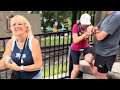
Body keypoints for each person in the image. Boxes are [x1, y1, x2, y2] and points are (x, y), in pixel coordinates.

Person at [0, 15, 42, 79]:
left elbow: (38, 65)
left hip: (33, 77)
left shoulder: (33, 42)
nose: (16, 26)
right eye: (14, 25)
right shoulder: (11, 43)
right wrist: (5, 63)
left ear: (26, 27)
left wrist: (19, 68)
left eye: (20, 24)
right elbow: (5, 60)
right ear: (11, 28)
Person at [88, 11, 120, 79]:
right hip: (100, 51)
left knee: (100, 76)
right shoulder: (107, 15)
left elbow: (100, 37)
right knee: (95, 71)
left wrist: (95, 32)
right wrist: (95, 30)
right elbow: (96, 28)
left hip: (107, 52)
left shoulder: (117, 16)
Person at [70, 13, 94, 79]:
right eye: (83, 23)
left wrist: (92, 28)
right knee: (76, 69)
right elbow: (75, 40)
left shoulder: (89, 27)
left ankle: (92, 65)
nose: (84, 25)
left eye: (86, 24)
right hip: (75, 48)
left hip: (85, 46)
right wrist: (85, 33)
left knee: (89, 59)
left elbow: (94, 29)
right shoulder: (75, 26)